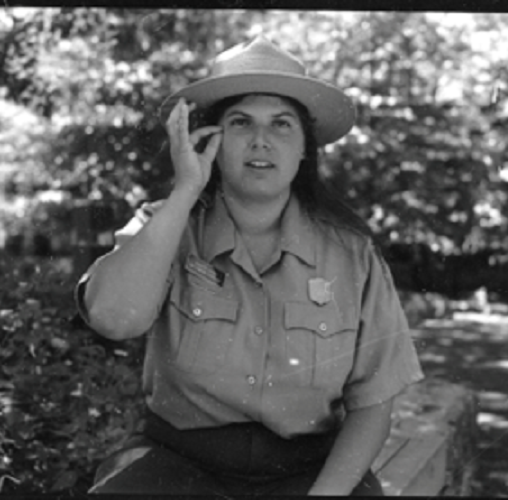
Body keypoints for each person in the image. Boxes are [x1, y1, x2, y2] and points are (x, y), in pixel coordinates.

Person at [76, 36, 424, 496]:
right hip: (180, 466)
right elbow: (114, 319)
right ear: (212, 141)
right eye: (241, 122)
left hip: (309, 473)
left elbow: (374, 402)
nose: (261, 140)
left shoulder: (353, 255)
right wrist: (184, 191)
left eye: (282, 124)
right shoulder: (164, 225)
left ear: (305, 148)